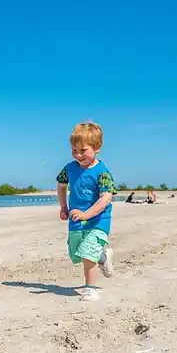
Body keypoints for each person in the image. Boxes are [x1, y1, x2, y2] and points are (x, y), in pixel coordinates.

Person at [56, 121, 116, 302]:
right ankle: (103, 257)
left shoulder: (102, 172)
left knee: (88, 252)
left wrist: (87, 214)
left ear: (97, 148)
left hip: (98, 221)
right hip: (76, 221)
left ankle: (90, 289)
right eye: (74, 150)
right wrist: (63, 206)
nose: (78, 155)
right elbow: (61, 185)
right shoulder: (69, 168)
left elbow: (106, 198)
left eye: (83, 150)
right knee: (78, 252)